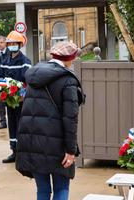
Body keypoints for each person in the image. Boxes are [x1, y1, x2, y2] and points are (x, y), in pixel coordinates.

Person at [16, 41, 85, 200]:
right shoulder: (68, 80)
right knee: (61, 188)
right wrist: (70, 150)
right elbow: (70, 119)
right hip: (57, 145)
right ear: (68, 59)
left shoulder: (34, 75)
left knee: (43, 190)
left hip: (33, 143)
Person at [0, 31, 32, 163]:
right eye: (10, 43)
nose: (12, 45)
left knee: (22, 125)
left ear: (20, 45)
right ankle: (14, 151)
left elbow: (28, 81)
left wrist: (23, 94)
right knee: (11, 124)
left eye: (14, 43)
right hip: (9, 101)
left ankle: (24, 152)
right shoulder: (5, 61)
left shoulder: (25, 61)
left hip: (22, 101)